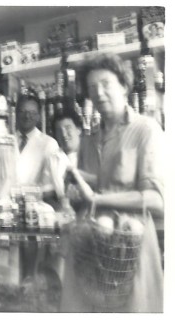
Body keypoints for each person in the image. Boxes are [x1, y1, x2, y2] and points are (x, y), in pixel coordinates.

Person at [61, 53, 164, 312]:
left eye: (106, 83)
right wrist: (74, 189)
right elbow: (85, 199)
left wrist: (96, 198)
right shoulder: (88, 139)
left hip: (130, 251)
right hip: (89, 254)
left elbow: (156, 200)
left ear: (124, 86)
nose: (99, 92)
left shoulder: (145, 130)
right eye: (92, 88)